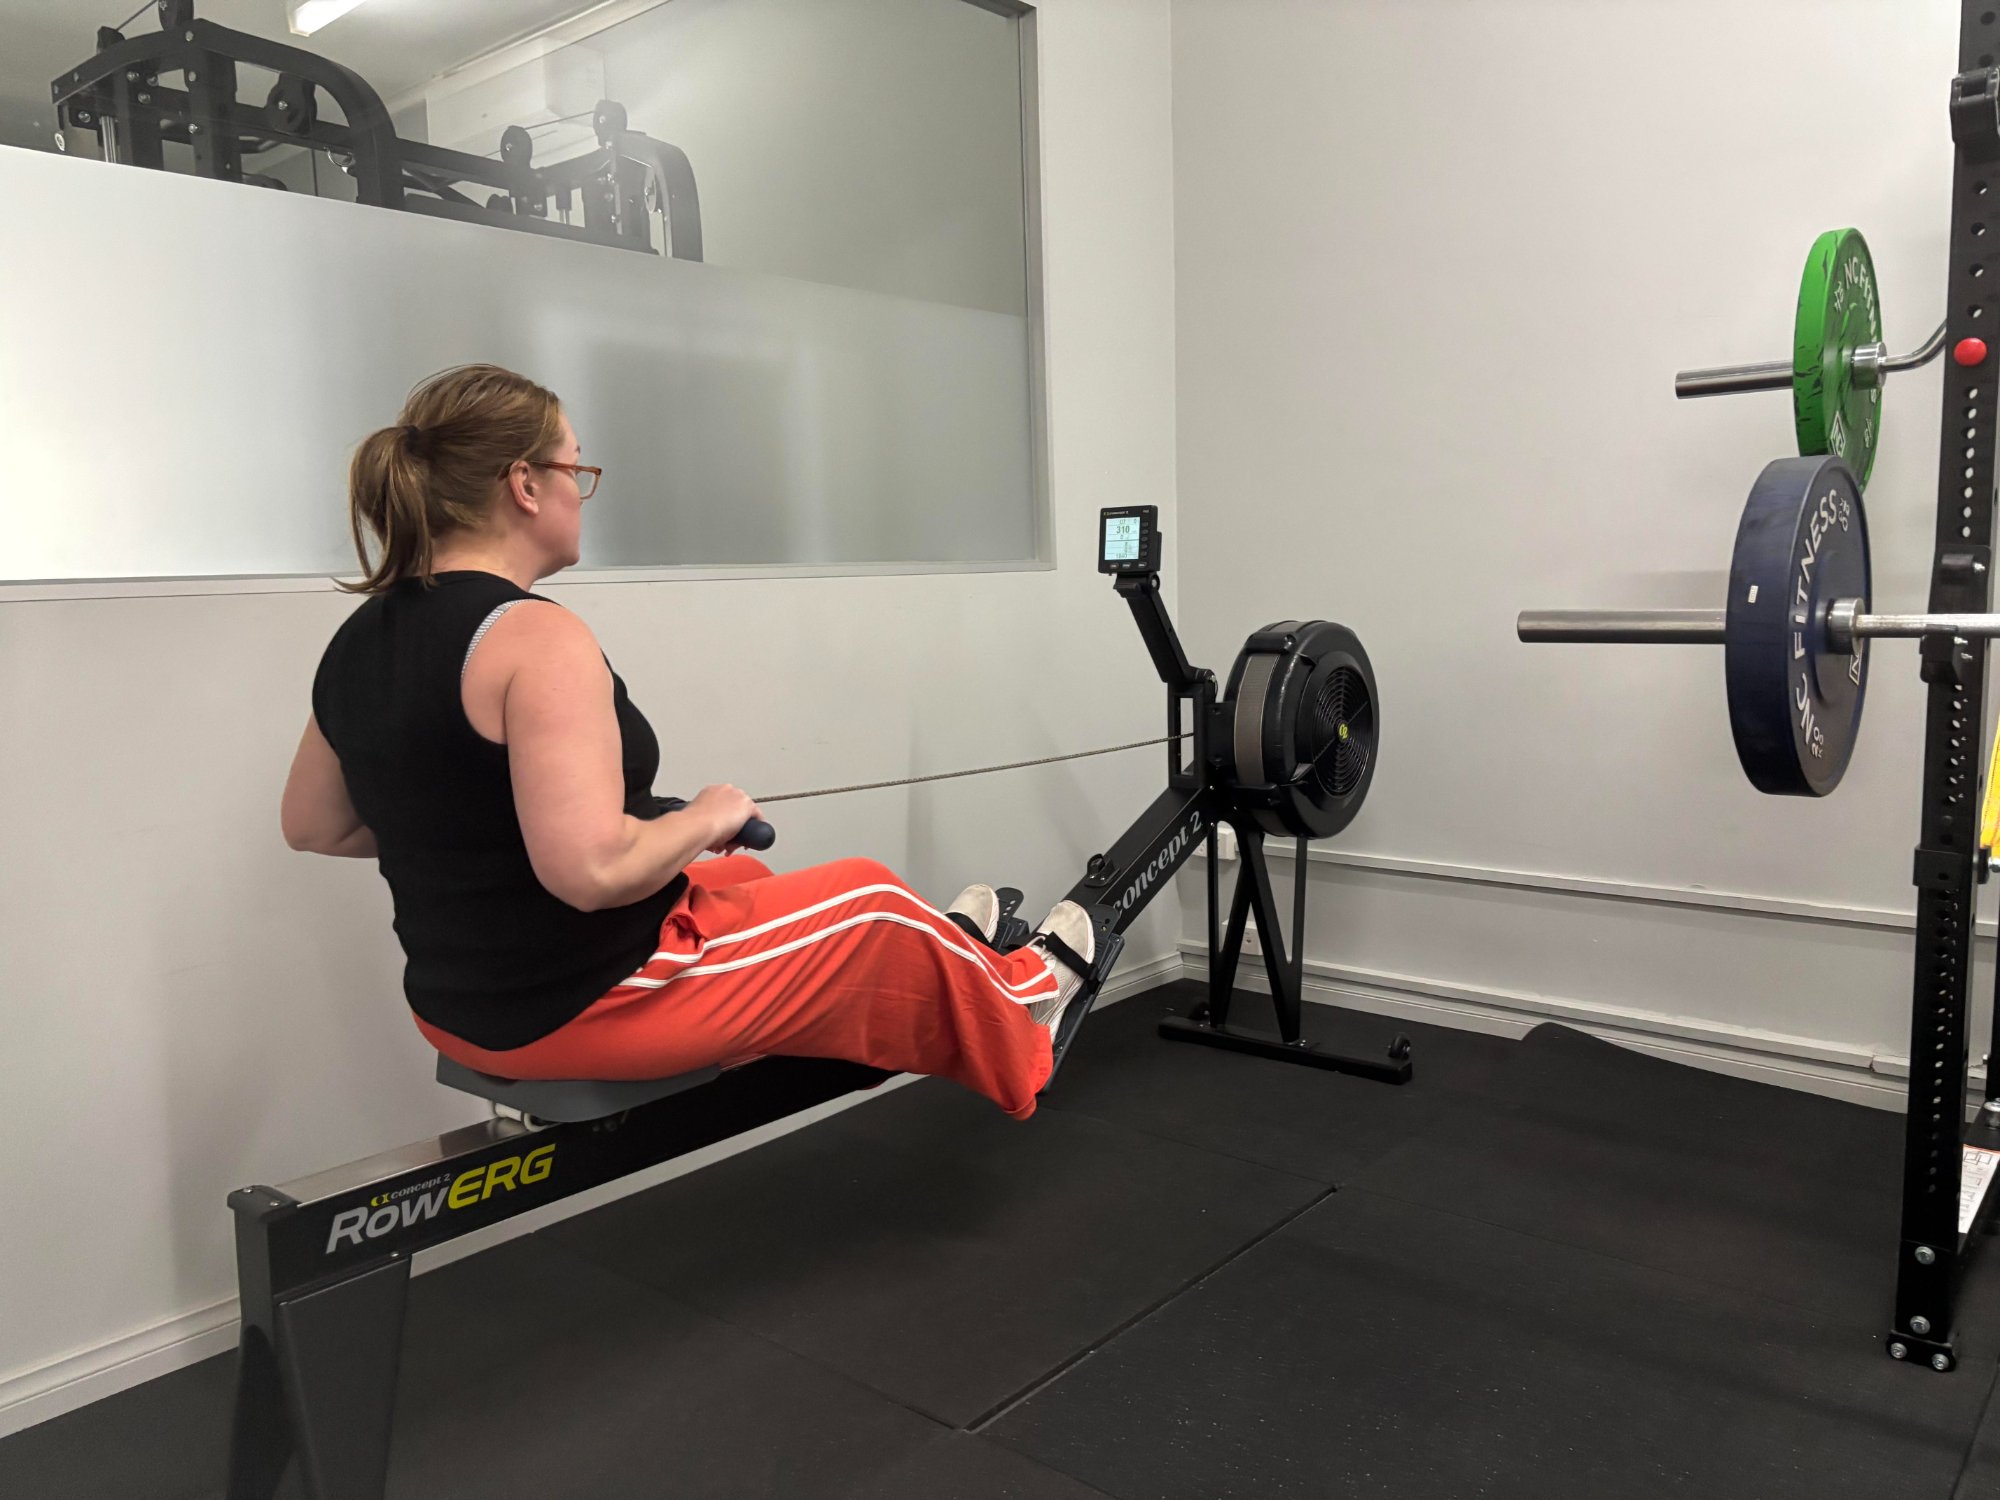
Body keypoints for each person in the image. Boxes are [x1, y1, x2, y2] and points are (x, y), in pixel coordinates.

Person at [279, 363, 1093, 1120]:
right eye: (575, 471)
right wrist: (706, 815)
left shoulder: (360, 638)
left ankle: (952, 964)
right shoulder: (531, 636)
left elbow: (318, 826)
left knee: (747, 878)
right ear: (524, 485)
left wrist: (489, 837)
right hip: (581, 1003)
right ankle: (1026, 1001)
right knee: (869, 901)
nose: (580, 493)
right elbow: (593, 873)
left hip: (455, 1011)